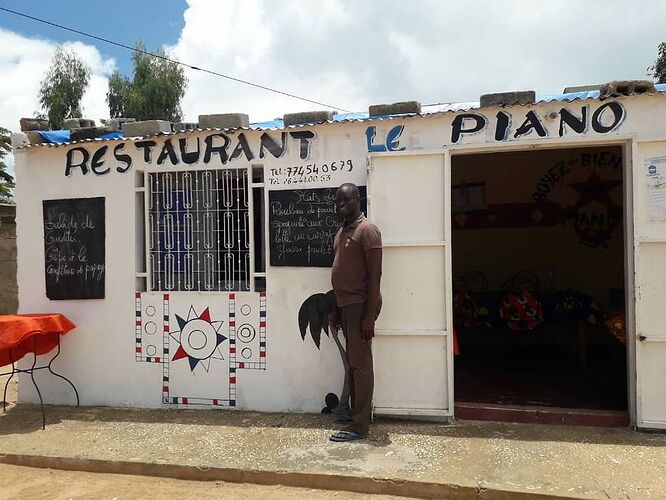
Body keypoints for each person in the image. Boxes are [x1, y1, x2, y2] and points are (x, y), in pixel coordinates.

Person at [329, 183, 382, 442]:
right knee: (352, 364)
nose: (341, 205)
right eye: (338, 201)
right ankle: (352, 416)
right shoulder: (340, 232)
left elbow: (375, 276)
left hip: (361, 306)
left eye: (346, 200)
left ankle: (360, 426)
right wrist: (337, 309)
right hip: (345, 306)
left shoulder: (367, 230)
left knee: (361, 365)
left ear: (357, 199)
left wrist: (369, 316)